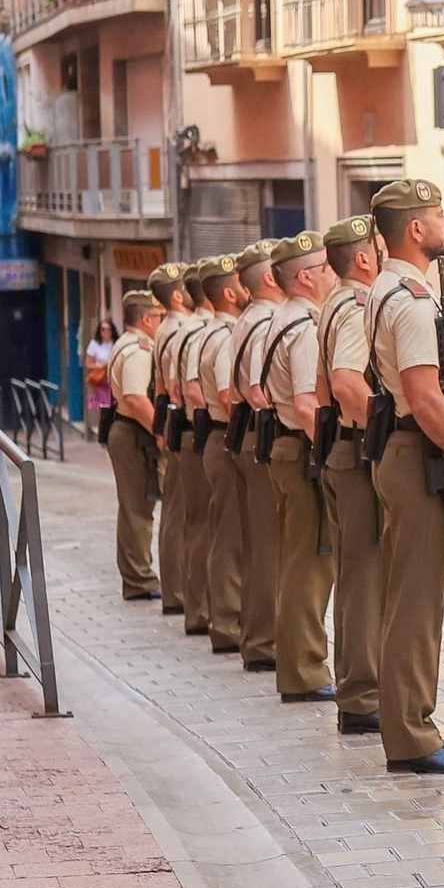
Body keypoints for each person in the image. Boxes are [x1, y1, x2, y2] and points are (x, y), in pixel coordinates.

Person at [367, 178, 444, 773]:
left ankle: (408, 724)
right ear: (417, 229)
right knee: (416, 605)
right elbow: (426, 398)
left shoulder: (392, 289)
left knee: (408, 598)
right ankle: (411, 734)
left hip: (401, 451)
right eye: (438, 216)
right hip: (416, 450)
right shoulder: (409, 298)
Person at [260, 232, 338, 703]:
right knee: (309, 568)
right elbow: (309, 404)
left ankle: (299, 665)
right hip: (302, 449)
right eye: (325, 268)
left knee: (297, 564)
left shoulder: (280, 319)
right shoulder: (305, 326)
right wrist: (330, 456)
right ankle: (305, 671)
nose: (332, 275)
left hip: (285, 448)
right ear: (305, 276)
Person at [317, 216, 384, 735]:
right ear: (363, 258)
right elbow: (344, 382)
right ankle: (362, 696)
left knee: (356, 575)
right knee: (364, 579)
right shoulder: (357, 308)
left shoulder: (334, 303)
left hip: (340, 450)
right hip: (357, 453)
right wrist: (379, 437)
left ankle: (358, 689)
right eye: (378, 247)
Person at [226, 240, 284, 674]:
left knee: (259, 542)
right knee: (269, 547)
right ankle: (264, 642)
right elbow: (258, 390)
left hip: (245, 433)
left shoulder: (249, 319)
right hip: (262, 432)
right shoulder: (265, 321)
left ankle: (259, 635)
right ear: (269, 278)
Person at [196, 254, 248, 656]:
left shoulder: (211, 333)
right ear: (230, 292)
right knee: (231, 536)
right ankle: (228, 623)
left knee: (225, 532)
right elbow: (232, 397)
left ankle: (226, 617)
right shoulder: (225, 337)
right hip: (227, 435)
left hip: (216, 437)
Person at [106, 290, 165, 601]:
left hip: (128, 430)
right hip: (133, 433)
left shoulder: (125, 345)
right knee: (137, 508)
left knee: (135, 506)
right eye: (158, 317)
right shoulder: (140, 351)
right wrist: (160, 430)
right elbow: (134, 396)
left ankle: (137, 575)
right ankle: (139, 579)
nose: (161, 323)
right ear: (145, 319)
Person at [173, 259, 216, 639]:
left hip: (196, 429)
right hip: (205, 431)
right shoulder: (201, 331)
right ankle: (201, 609)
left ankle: (198, 606)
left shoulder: (188, 331)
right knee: (207, 526)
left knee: (197, 522)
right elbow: (189, 389)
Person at [148, 262, 193, 617]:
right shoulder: (179, 329)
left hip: (172, 417)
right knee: (182, 511)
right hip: (184, 418)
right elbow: (175, 385)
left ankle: (176, 590)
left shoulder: (165, 328)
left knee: (178, 509)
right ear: (178, 295)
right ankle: (177, 591)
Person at [86, 320, 116, 424]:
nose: (106, 332)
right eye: (103, 329)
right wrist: (101, 365)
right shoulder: (94, 344)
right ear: (99, 331)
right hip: (101, 379)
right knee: (103, 405)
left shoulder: (116, 343)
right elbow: (89, 363)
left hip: (114, 378)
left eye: (109, 329)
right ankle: (103, 427)